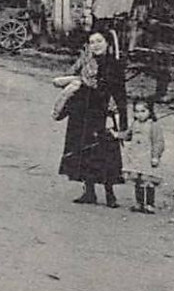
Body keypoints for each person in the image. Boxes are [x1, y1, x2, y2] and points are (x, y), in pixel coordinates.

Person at [55, 30, 128, 207]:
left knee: (105, 151)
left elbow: (119, 92)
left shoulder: (115, 64)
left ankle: (110, 195)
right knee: (84, 149)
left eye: (99, 41)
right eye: (92, 42)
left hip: (103, 111)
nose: (95, 45)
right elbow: (71, 77)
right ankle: (89, 192)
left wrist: (123, 120)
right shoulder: (86, 62)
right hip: (82, 111)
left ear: (107, 43)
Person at [120, 98, 166, 215]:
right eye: (136, 111)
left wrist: (155, 156)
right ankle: (139, 203)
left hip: (147, 158)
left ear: (150, 111)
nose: (139, 115)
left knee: (148, 181)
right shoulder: (135, 124)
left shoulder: (154, 125)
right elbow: (127, 135)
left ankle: (150, 204)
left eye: (143, 111)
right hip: (136, 157)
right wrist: (117, 135)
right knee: (138, 180)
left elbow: (158, 142)